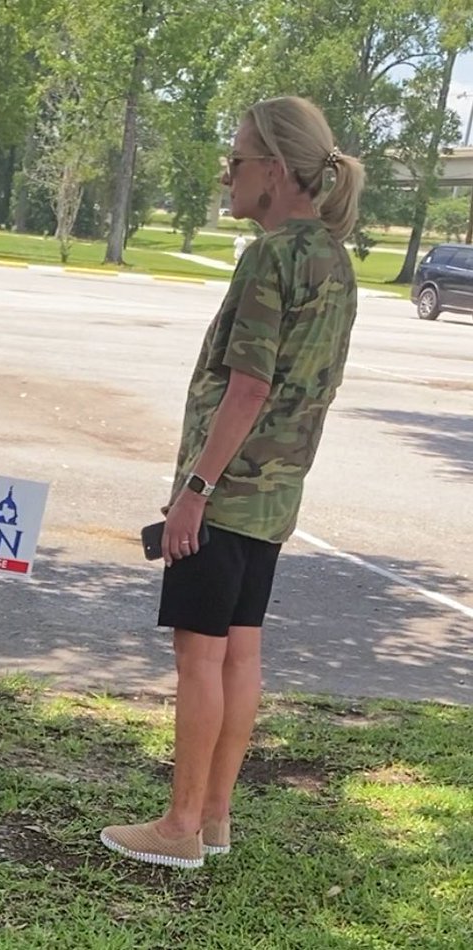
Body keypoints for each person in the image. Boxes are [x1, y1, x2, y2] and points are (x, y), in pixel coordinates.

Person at [100, 96, 365, 868]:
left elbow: (248, 386)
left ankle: (180, 825)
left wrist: (195, 491)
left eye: (240, 159)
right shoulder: (335, 261)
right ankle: (215, 819)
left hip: (233, 488)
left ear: (276, 172)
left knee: (198, 654)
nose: (229, 173)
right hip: (279, 493)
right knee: (240, 651)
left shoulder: (273, 256)